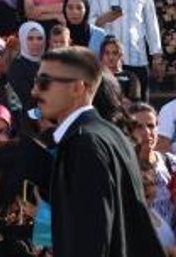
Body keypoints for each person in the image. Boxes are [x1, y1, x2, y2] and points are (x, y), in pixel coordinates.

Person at [32, 46, 164, 257]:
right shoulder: (109, 134)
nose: (35, 91)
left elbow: (91, 239)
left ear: (77, 88)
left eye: (44, 83)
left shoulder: (83, 144)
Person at [87, 0, 163, 101]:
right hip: (107, 63)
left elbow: (151, 23)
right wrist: (105, 18)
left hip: (136, 57)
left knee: (139, 108)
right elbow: (88, 24)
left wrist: (156, 56)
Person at [129, 102, 176, 228]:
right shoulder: (122, 167)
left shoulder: (171, 163)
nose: (146, 132)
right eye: (138, 127)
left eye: (151, 126)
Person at [8, 21, 46, 112]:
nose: (35, 43)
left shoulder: (49, 62)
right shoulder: (17, 67)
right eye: (30, 38)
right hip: (28, 119)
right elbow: (24, 100)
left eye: (39, 38)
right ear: (22, 40)